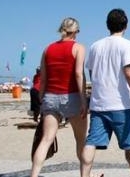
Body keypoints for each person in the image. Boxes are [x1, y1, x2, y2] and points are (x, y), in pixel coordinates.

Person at [81, 8, 130, 177]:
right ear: (125, 25)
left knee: (91, 143)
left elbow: (92, 74)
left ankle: (84, 175)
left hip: (99, 104)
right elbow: (129, 73)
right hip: (121, 104)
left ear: (108, 25)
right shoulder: (128, 45)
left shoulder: (95, 46)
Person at [30, 17, 88, 177]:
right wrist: (83, 99)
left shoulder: (48, 49)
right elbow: (78, 74)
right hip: (72, 97)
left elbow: (44, 77)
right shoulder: (78, 48)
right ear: (75, 31)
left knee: (46, 139)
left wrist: (41, 97)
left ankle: (33, 174)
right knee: (81, 140)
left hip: (50, 97)